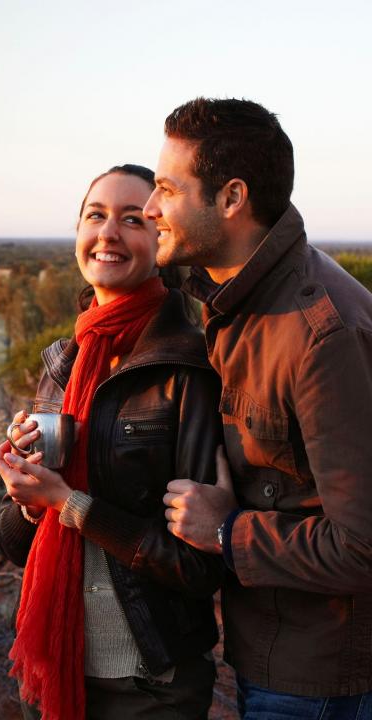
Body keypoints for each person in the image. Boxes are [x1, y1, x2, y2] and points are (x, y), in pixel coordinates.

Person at [147, 97, 372, 717]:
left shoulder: (318, 334)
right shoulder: (234, 303)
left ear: (231, 198)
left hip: (320, 680)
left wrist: (225, 531)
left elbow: (363, 545)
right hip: (270, 652)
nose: (149, 208)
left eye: (167, 188)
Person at [0, 164, 224, 720]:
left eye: (133, 219)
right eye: (95, 215)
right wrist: (26, 499)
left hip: (150, 682)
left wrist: (67, 504)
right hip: (54, 666)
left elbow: (198, 566)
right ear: (77, 233)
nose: (109, 232)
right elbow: (13, 543)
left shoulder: (189, 367)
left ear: (161, 239)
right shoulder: (64, 364)